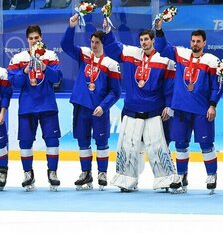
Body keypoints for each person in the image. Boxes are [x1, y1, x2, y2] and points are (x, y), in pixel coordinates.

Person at [101, 21, 182, 192]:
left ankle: (166, 179)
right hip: (131, 110)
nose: (143, 42)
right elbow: (114, 49)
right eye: (141, 40)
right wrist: (108, 31)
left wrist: (169, 106)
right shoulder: (131, 53)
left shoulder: (164, 58)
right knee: (128, 147)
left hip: (154, 111)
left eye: (146, 39)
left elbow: (169, 85)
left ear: (153, 40)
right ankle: (126, 181)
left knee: (158, 146)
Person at [154, 22, 222, 193]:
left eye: (198, 41)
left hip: (201, 110)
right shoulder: (181, 54)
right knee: (180, 144)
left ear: (204, 43)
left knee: (206, 144)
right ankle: (182, 175)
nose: (195, 44)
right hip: (181, 109)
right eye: (193, 41)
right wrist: (159, 30)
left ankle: (212, 175)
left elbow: (217, 85)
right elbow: (162, 48)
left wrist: (213, 105)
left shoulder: (212, 61)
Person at [61, 15, 121, 190]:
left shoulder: (111, 64)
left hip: (99, 109)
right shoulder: (84, 54)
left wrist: (103, 106)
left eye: (97, 42)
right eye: (92, 42)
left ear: (103, 44)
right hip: (82, 107)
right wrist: (71, 27)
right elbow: (65, 46)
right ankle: (86, 173)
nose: (93, 45)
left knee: (102, 142)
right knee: (83, 141)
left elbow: (116, 92)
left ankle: (102, 173)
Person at [8, 25, 63, 191]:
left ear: (41, 38)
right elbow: (15, 83)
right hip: (27, 106)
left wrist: (45, 67)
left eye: (36, 38)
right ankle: (28, 174)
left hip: (47, 105)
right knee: (25, 142)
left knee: (52, 140)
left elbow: (57, 78)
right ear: (27, 40)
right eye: (31, 38)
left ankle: (52, 173)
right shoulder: (18, 58)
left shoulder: (50, 55)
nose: (34, 41)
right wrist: (25, 71)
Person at [0, 64, 9, 189]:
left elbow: (6, 94)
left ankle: (2, 173)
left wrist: (2, 112)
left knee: (1, 145)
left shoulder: (2, 72)